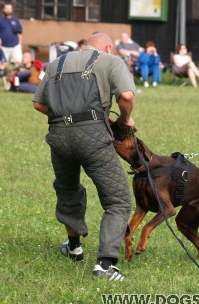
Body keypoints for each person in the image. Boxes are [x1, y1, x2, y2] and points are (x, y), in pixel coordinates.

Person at [32, 32, 135, 280]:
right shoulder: (112, 61)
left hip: (57, 134)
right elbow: (127, 96)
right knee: (118, 200)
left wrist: (66, 120)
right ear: (109, 47)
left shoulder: (57, 62)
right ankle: (105, 264)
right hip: (93, 137)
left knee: (67, 189)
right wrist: (124, 118)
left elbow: (38, 104)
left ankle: (74, 246)